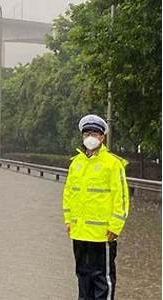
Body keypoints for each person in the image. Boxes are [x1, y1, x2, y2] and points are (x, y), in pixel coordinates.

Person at [63, 114, 129, 300]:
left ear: (102, 137)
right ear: (82, 136)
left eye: (94, 133)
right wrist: (68, 221)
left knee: (102, 280)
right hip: (79, 233)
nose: (90, 137)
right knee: (83, 277)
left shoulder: (113, 164)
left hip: (102, 235)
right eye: (87, 133)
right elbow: (68, 194)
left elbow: (121, 198)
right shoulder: (76, 163)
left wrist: (115, 227)